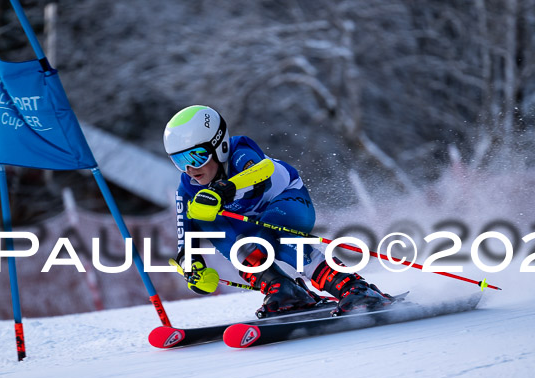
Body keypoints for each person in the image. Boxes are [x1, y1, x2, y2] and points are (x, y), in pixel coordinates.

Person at [164, 104, 393, 316]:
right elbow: (187, 239)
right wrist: (193, 267)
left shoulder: (241, 151)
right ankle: (284, 290)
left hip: (288, 200)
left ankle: (353, 287)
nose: (190, 168)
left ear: (219, 145)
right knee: (217, 228)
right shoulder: (187, 189)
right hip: (250, 221)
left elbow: (262, 172)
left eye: (196, 156)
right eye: (179, 160)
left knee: (273, 236)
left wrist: (226, 188)